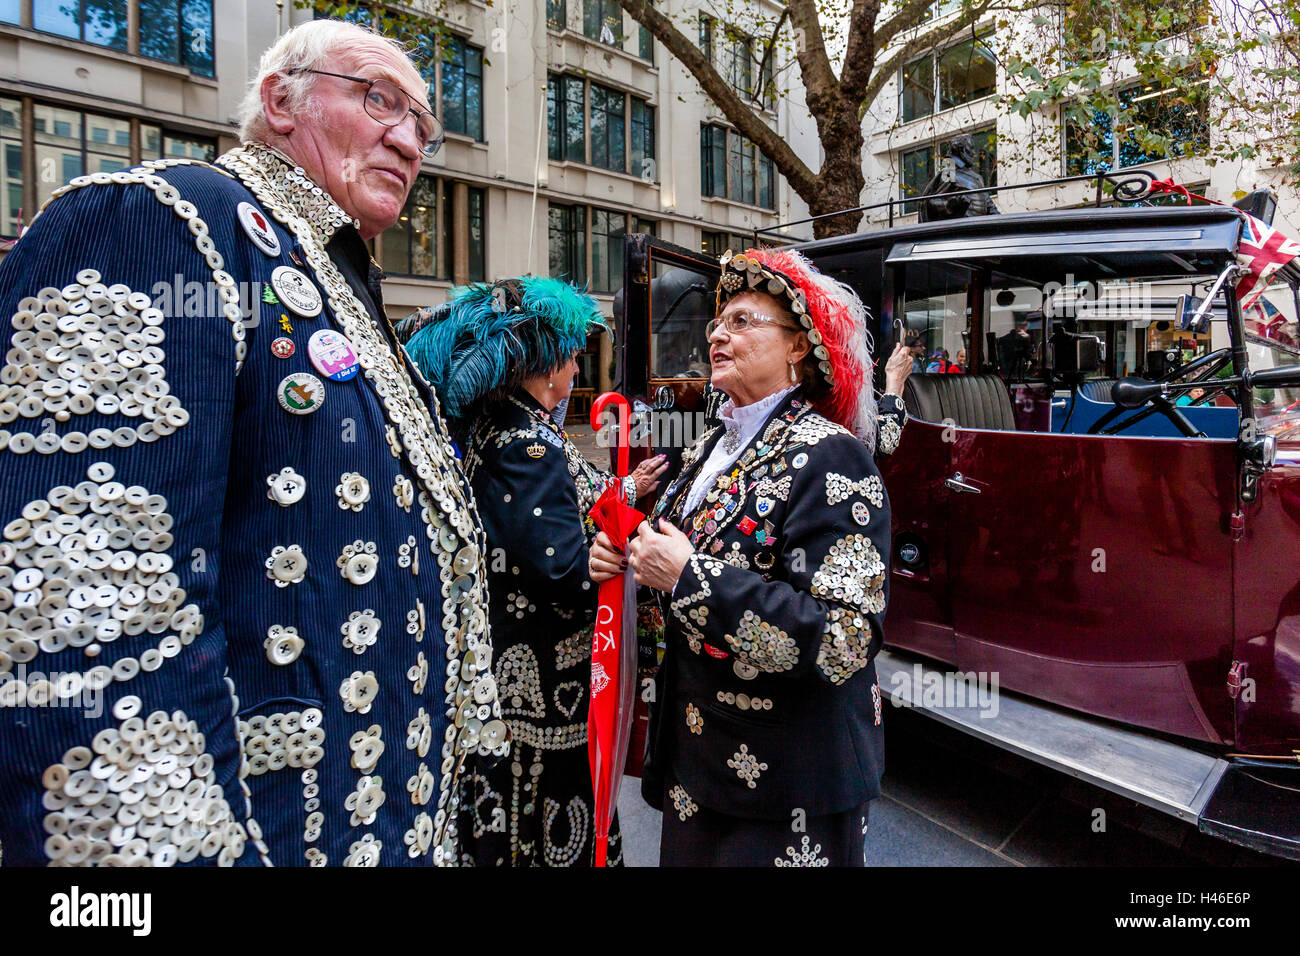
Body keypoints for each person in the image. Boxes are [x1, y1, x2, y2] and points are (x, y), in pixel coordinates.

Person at [0, 20, 503, 867]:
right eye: (379, 98)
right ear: (279, 99)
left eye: (424, 123)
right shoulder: (163, 217)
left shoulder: (344, 288)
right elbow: (77, 621)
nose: (409, 140)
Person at [590, 247, 892, 866]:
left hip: (784, 786)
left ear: (798, 347)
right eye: (716, 323)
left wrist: (688, 577)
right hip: (698, 769)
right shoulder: (710, 445)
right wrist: (626, 558)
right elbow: (677, 559)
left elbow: (844, 641)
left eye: (744, 321)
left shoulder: (832, 455)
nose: (720, 335)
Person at [396, 278, 669, 865]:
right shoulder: (528, 444)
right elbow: (559, 567)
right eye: (572, 358)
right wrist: (617, 558)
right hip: (546, 688)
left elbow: (551, 516)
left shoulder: (506, 431)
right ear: (546, 369)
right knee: (540, 819)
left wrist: (621, 492)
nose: (576, 371)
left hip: (516, 673)